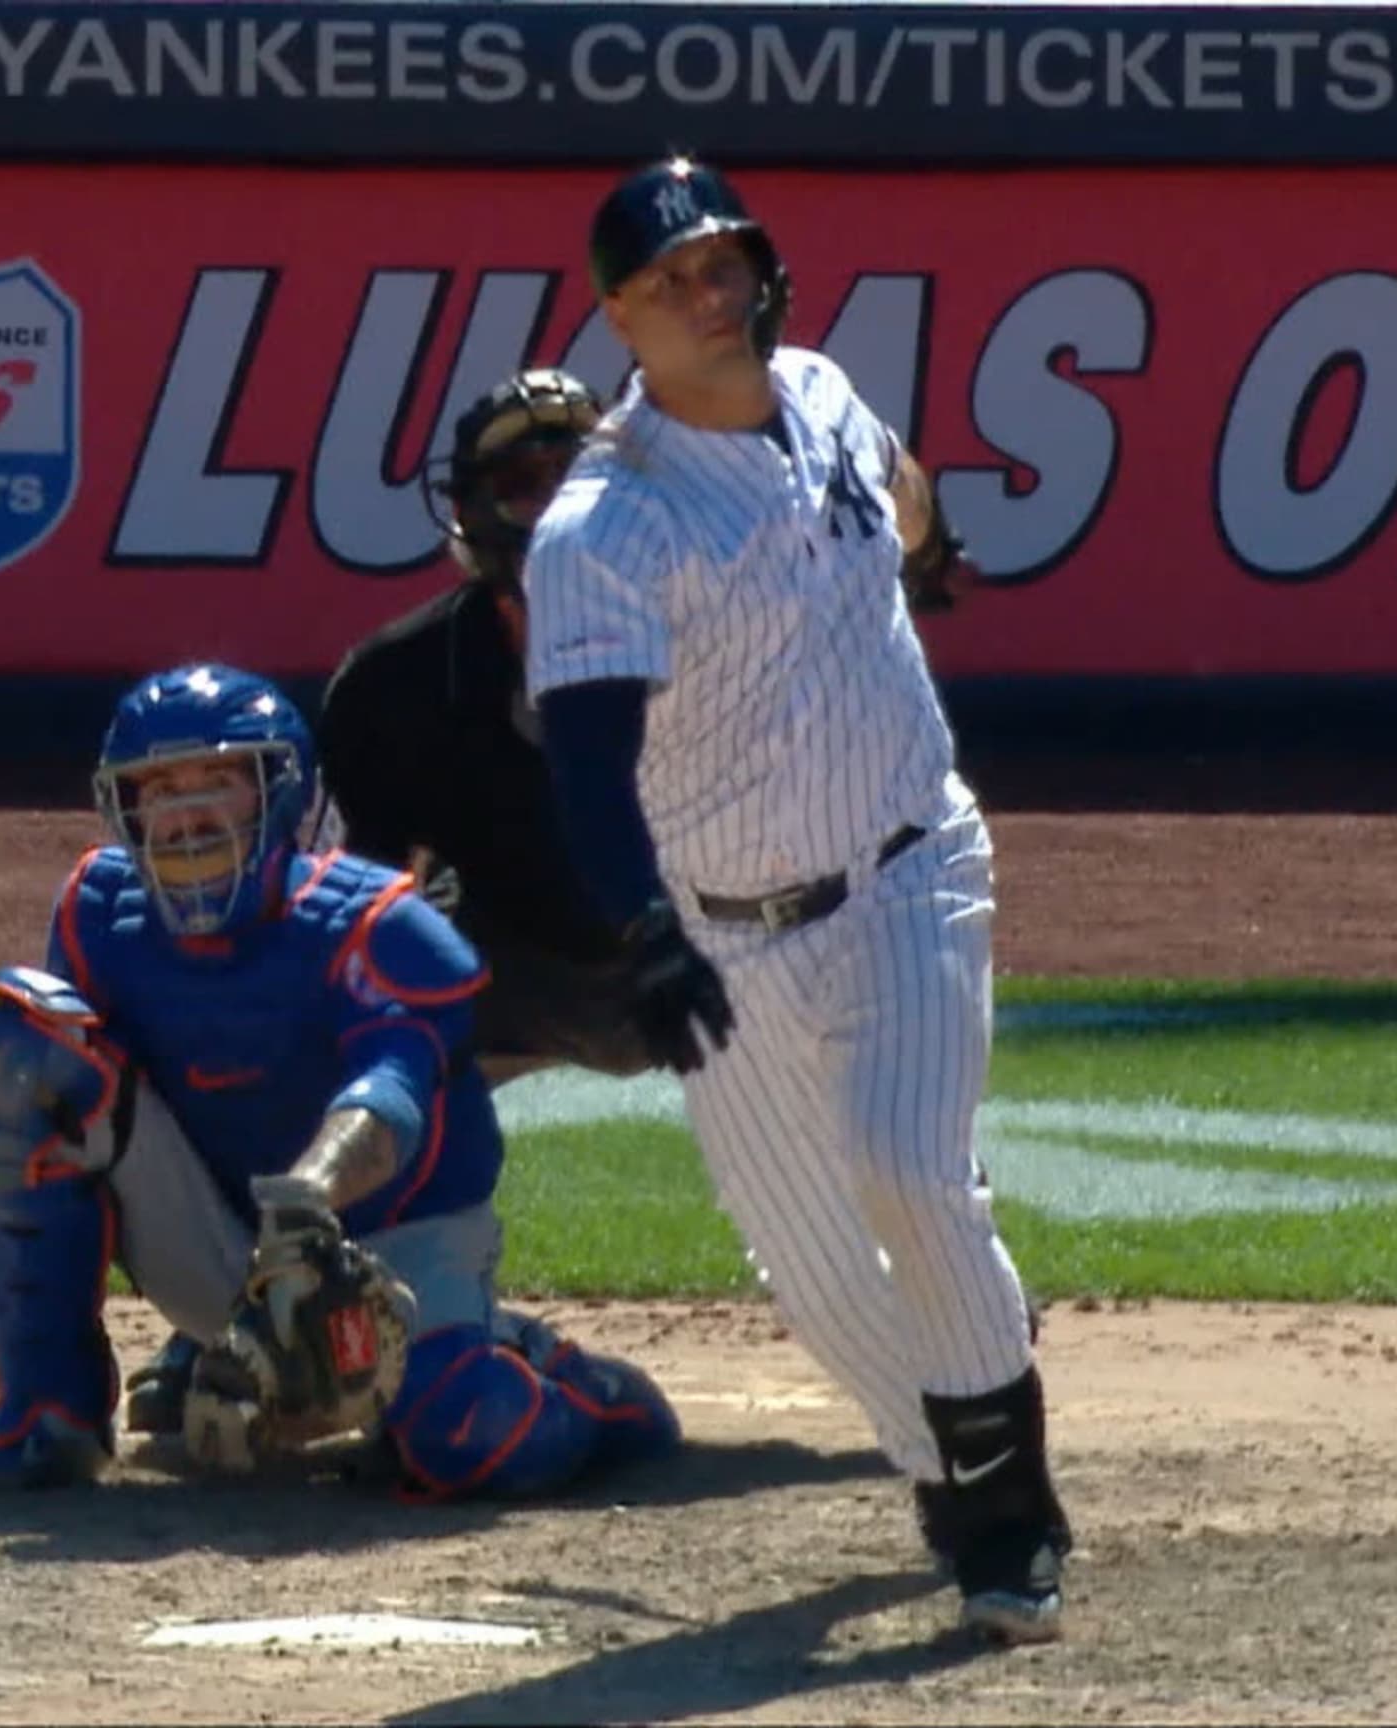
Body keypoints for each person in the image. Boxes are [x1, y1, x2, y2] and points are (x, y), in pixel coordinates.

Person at [515, 154, 1070, 1644]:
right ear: (617, 320)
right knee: (819, 1278)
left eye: (724, 262)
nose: (711, 295)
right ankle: (954, 1440)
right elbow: (584, 760)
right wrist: (643, 933)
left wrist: (936, 548)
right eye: (670, 281)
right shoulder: (603, 528)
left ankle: (1008, 1514)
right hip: (720, 921)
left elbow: (894, 484)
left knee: (908, 1170)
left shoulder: (818, 388)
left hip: (909, 867)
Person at [0, 661, 680, 1504]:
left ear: (279, 797)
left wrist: (309, 1200)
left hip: (397, 1244)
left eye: (217, 783)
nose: (185, 815)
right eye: (160, 789)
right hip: (225, 1237)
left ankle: (570, 1383)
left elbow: (394, 1096)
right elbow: (72, 1122)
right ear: (124, 807)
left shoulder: (377, 921)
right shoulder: (96, 911)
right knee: (18, 1062)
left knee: (466, 1438)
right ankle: (49, 1402)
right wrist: (6, 1345)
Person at [314, 366, 657, 1087]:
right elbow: (346, 901)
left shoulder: (728, 647)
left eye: (584, 481)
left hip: (721, 955)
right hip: (508, 973)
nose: (562, 513)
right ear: (472, 511)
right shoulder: (392, 684)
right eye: (525, 485)